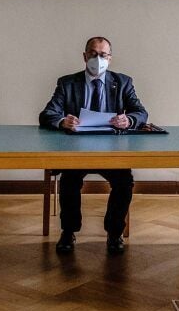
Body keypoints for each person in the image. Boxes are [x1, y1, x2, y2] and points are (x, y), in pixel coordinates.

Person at [39, 36, 148, 255]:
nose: (97, 59)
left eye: (103, 55)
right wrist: (62, 121)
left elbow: (140, 112)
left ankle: (114, 232)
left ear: (110, 58)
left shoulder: (123, 82)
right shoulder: (67, 83)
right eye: (93, 54)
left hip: (112, 149)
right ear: (84, 56)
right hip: (77, 148)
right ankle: (68, 231)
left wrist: (129, 120)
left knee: (124, 182)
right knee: (69, 181)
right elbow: (47, 114)